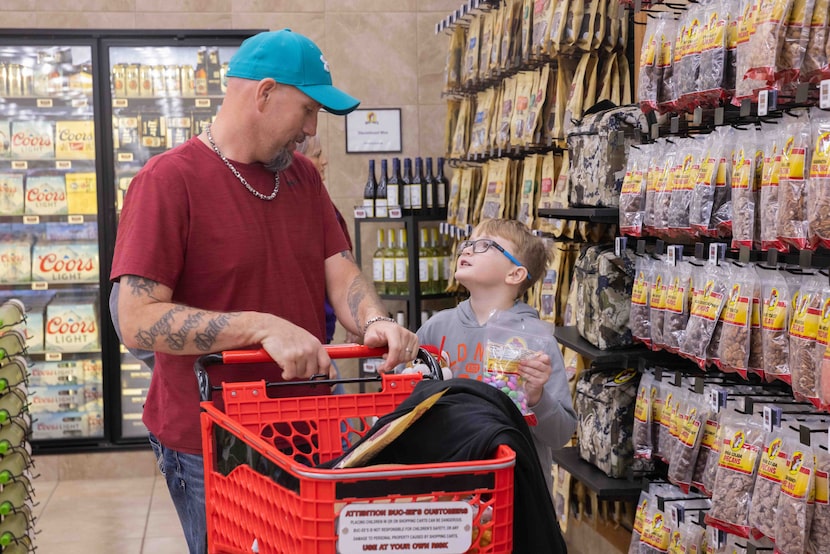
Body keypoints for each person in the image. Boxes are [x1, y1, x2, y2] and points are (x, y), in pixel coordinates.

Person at [110, 29, 418, 554]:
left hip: (306, 424)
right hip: (211, 438)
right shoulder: (168, 180)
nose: (310, 129)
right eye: (306, 110)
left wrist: (373, 320)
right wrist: (260, 326)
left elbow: (339, 269)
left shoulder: (301, 178)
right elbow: (136, 318)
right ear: (265, 93)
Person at [416, 218, 576, 492]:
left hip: (517, 490)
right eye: (468, 243)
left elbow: (560, 434)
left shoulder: (535, 341)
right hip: (449, 487)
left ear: (515, 274)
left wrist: (537, 397)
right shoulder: (436, 329)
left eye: (484, 245)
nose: (466, 250)